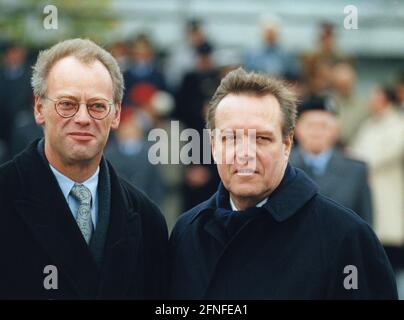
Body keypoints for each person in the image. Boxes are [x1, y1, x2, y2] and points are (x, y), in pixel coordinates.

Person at [169, 68, 397, 299]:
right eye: (232, 138)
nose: (245, 153)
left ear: (287, 145)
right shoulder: (187, 233)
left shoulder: (347, 238)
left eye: (262, 138)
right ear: (213, 146)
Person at [0, 38, 168, 299]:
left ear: (116, 115)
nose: (82, 118)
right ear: (39, 108)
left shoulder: (148, 221)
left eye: (97, 106)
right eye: (67, 104)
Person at [290, 95, 372, 224]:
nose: (316, 132)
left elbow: (365, 221)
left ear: (336, 131)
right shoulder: (282, 166)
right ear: (296, 129)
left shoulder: (356, 170)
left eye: (323, 126)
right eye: (310, 125)